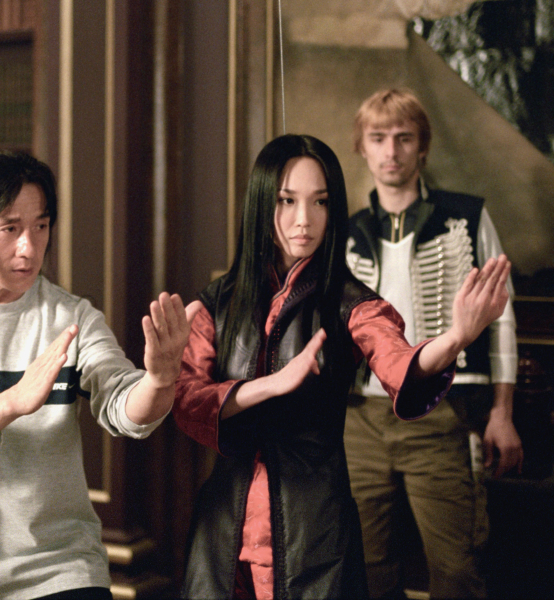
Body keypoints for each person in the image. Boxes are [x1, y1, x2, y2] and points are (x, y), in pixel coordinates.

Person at [172, 133, 512, 599]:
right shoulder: (218, 302)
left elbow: (399, 364)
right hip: (224, 529)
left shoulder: (351, 304)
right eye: (287, 200)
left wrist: (456, 338)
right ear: (262, 202)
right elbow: (187, 399)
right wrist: (267, 386)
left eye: (320, 202)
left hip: (312, 532)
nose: (303, 219)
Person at [0, 150, 200, 600]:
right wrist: (9, 403)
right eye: (10, 229)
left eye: (41, 226)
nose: (29, 247)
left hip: (58, 566)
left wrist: (160, 381)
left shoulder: (74, 317)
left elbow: (123, 408)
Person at [344, 88, 523, 599]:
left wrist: (502, 412)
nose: (391, 151)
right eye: (379, 137)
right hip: (360, 419)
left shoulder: (467, 217)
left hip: (443, 415)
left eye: (404, 138)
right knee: (365, 566)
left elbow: (502, 318)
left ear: (422, 147)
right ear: (362, 146)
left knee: (456, 567)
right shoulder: (349, 232)